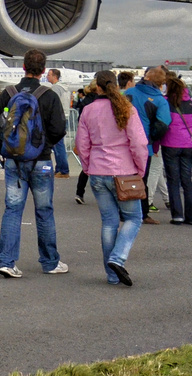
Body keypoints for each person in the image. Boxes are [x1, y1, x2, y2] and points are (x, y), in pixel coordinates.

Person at [0, 49, 68, 278]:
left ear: (23, 67)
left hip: (14, 161)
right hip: (41, 161)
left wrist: (5, 148)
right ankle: (49, 261)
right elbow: (58, 129)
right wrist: (43, 145)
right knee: (44, 211)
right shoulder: (49, 95)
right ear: (44, 70)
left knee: (13, 210)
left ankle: (7, 261)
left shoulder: (9, 93)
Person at [75, 70, 149, 286]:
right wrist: (140, 169)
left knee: (109, 222)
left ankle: (111, 274)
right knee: (134, 218)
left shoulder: (88, 110)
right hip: (124, 170)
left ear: (96, 86)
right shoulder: (127, 108)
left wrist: (88, 167)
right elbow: (138, 142)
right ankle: (118, 258)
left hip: (98, 170)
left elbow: (82, 144)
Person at [125, 66, 172, 223]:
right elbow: (164, 123)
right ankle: (142, 213)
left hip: (124, 141)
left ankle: (123, 210)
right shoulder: (160, 100)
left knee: (124, 175)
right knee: (141, 179)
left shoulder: (129, 93)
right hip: (146, 144)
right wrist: (152, 137)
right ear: (161, 83)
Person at [156, 73, 192, 226]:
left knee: (173, 180)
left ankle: (177, 215)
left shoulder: (165, 102)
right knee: (187, 180)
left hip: (170, 144)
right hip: (187, 144)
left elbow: (162, 123)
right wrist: (190, 135)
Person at [45, 69, 72, 177]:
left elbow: (52, 103)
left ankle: (63, 170)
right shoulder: (65, 88)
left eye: (49, 74)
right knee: (59, 144)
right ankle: (60, 169)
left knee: (58, 145)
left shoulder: (55, 89)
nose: (47, 76)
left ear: (54, 76)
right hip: (64, 116)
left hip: (57, 119)